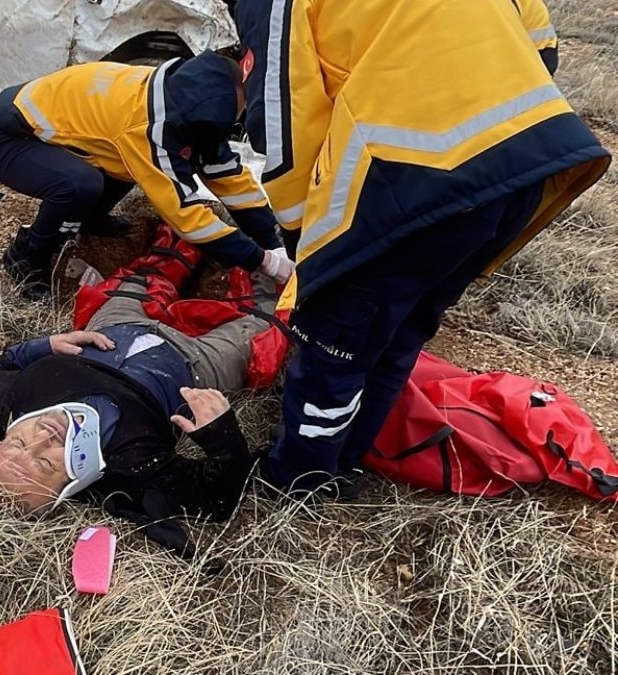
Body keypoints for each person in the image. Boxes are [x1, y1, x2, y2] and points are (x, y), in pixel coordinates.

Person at [230, 0, 611, 497]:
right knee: (402, 329)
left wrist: (311, 245)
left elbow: (283, 123)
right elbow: (542, 43)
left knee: (333, 344)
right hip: (525, 165)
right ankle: (351, 453)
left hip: (413, 172)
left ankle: (299, 481)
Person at [0, 231, 278, 556]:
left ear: (0, 439)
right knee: (264, 325)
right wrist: (220, 432)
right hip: (192, 361)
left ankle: (202, 226)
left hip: (112, 329)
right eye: (44, 463)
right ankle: (267, 259)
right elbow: (218, 501)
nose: (44, 437)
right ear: (71, 486)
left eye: (19, 443)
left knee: (144, 276)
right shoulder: (132, 467)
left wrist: (45, 345)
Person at [0, 50, 294, 301]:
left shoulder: (181, 94)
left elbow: (226, 174)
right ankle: (28, 255)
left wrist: (270, 238)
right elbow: (186, 217)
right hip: (14, 142)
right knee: (80, 184)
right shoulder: (150, 128)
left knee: (127, 164)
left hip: (64, 136)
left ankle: (91, 217)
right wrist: (262, 260)